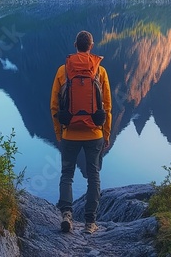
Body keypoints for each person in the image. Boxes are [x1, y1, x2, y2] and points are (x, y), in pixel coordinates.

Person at [50, 30, 112, 234]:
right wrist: (106, 133)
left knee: (67, 174)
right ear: (91, 46)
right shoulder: (100, 72)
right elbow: (108, 107)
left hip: (70, 133)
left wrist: (60, 134)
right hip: (94, 133)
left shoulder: (63, 71)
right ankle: (90, 223)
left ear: (75, 45)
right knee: (93, 176)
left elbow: (54, 107)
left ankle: (67, 214)